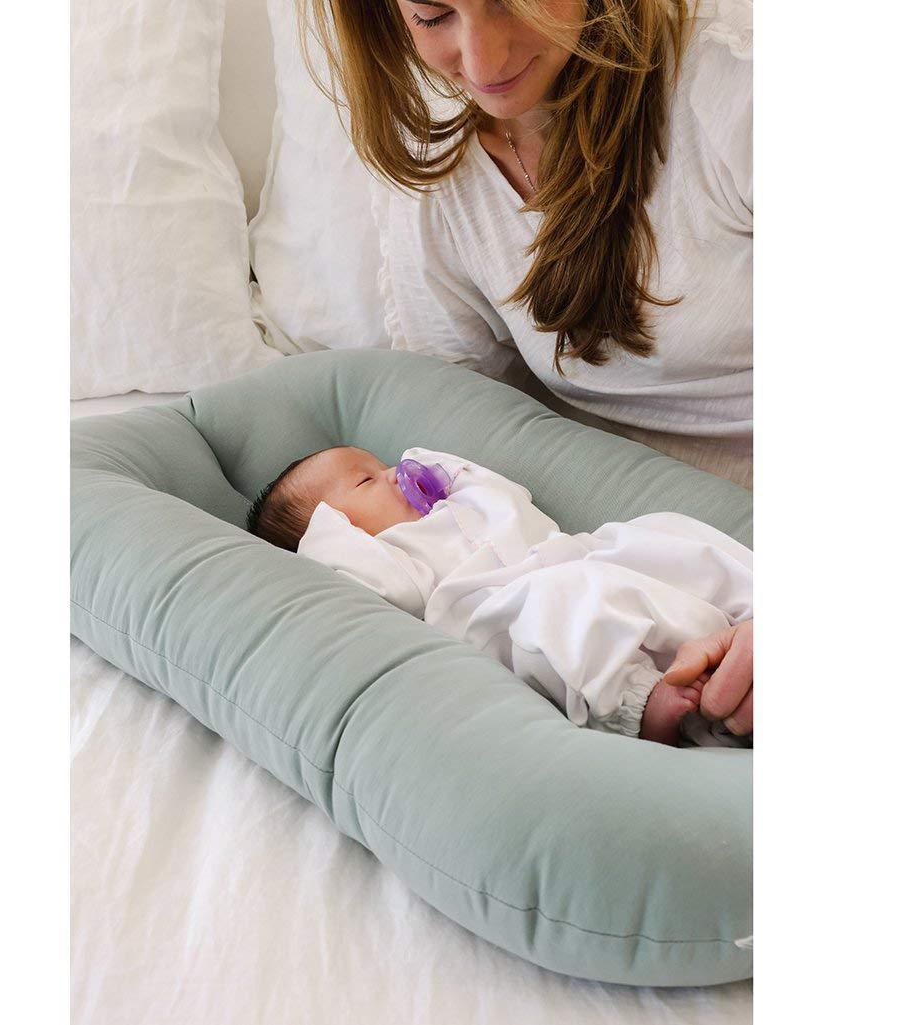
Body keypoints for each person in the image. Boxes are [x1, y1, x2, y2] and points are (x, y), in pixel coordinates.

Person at [302, 0, 754, 731]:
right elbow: (464, 420)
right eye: (433, 16)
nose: (483, 63)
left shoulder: (732, 83)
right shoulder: (439, 183)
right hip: (622, 551)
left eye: (516, 1)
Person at [246, 445, 753, 747]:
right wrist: (325, 534)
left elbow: (507, 494)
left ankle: (751, 610)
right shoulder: (389, 558)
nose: (396, 472)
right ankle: (641, 702)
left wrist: (436, 468)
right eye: (366, 479)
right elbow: (359, 575)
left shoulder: (464, 502)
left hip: (576, 557)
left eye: (388, 464)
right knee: (557, 599)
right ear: (338, 528)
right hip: (508, 614)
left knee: (660, 530)